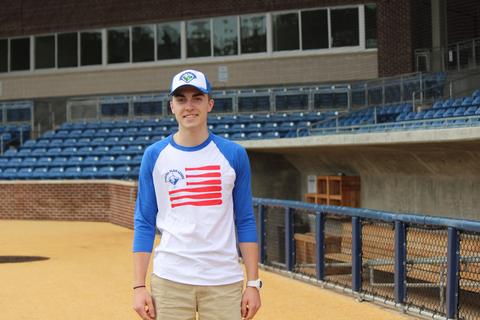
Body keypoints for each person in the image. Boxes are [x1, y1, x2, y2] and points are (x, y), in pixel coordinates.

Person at [132, 69, 262, 320]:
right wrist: (138, 286)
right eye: (181, 99)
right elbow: (144, 221)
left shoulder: (233, 154)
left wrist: (253, 283)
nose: (189, 105)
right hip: (171, 279)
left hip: (223, 281)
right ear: (172, 106)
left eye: (197, 97)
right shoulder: (154, 155)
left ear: (210, 104)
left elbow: (245, 219)